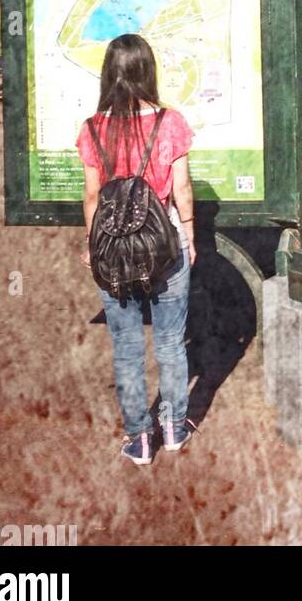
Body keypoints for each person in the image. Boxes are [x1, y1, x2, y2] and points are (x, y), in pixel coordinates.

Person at [77, 33, 197, 466]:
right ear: (148, 71)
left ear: (109, 73)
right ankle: (174, 428)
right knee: (170, 343)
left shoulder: (93, 129)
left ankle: (139, 440)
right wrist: (190, 235)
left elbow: (92, 198)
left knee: (126, 347)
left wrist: (93, 247)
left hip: (112, 252)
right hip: (165, 247)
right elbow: (181, 188)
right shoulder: (170, 123)